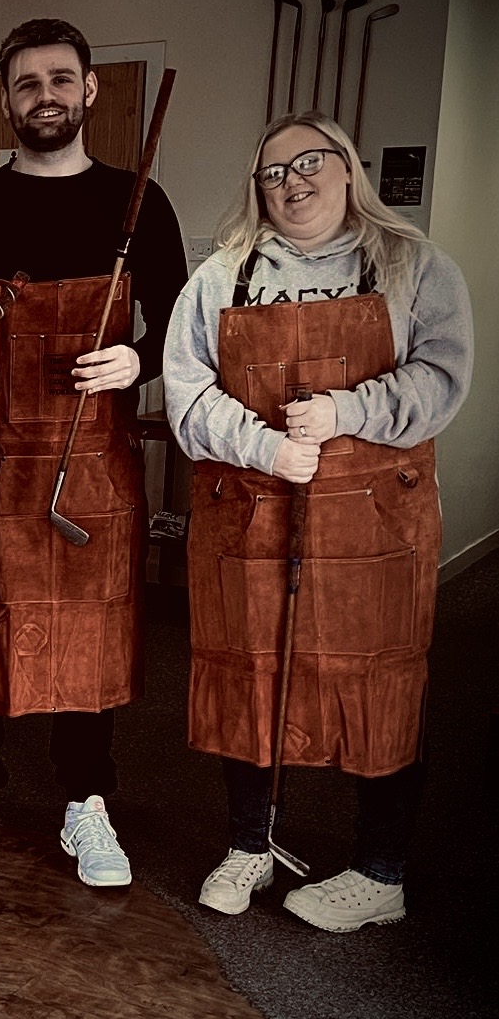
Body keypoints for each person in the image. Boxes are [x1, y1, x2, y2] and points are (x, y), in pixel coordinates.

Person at [164, 112, 472, 931]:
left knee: (380, 685)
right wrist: (262, 447)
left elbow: (441, 378)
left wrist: (346, 408)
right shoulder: (221, 276)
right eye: (272, 171)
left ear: (346, 170)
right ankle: (248, 844)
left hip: (375, 519)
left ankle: (379, 872)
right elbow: (185, 393)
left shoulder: (411, 266)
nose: (291, 181)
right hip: (252, 512)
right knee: (248, 674)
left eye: (309, 163)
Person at [0, 18, 187, 889]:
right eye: (27, 82)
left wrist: (138, 358)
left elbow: (183, 325)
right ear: (5, 98)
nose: (45, 94)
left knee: (91, 631)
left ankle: (87, 804)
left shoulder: (139, 202)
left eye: (60, 79)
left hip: (95, 460)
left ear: (89, 90)